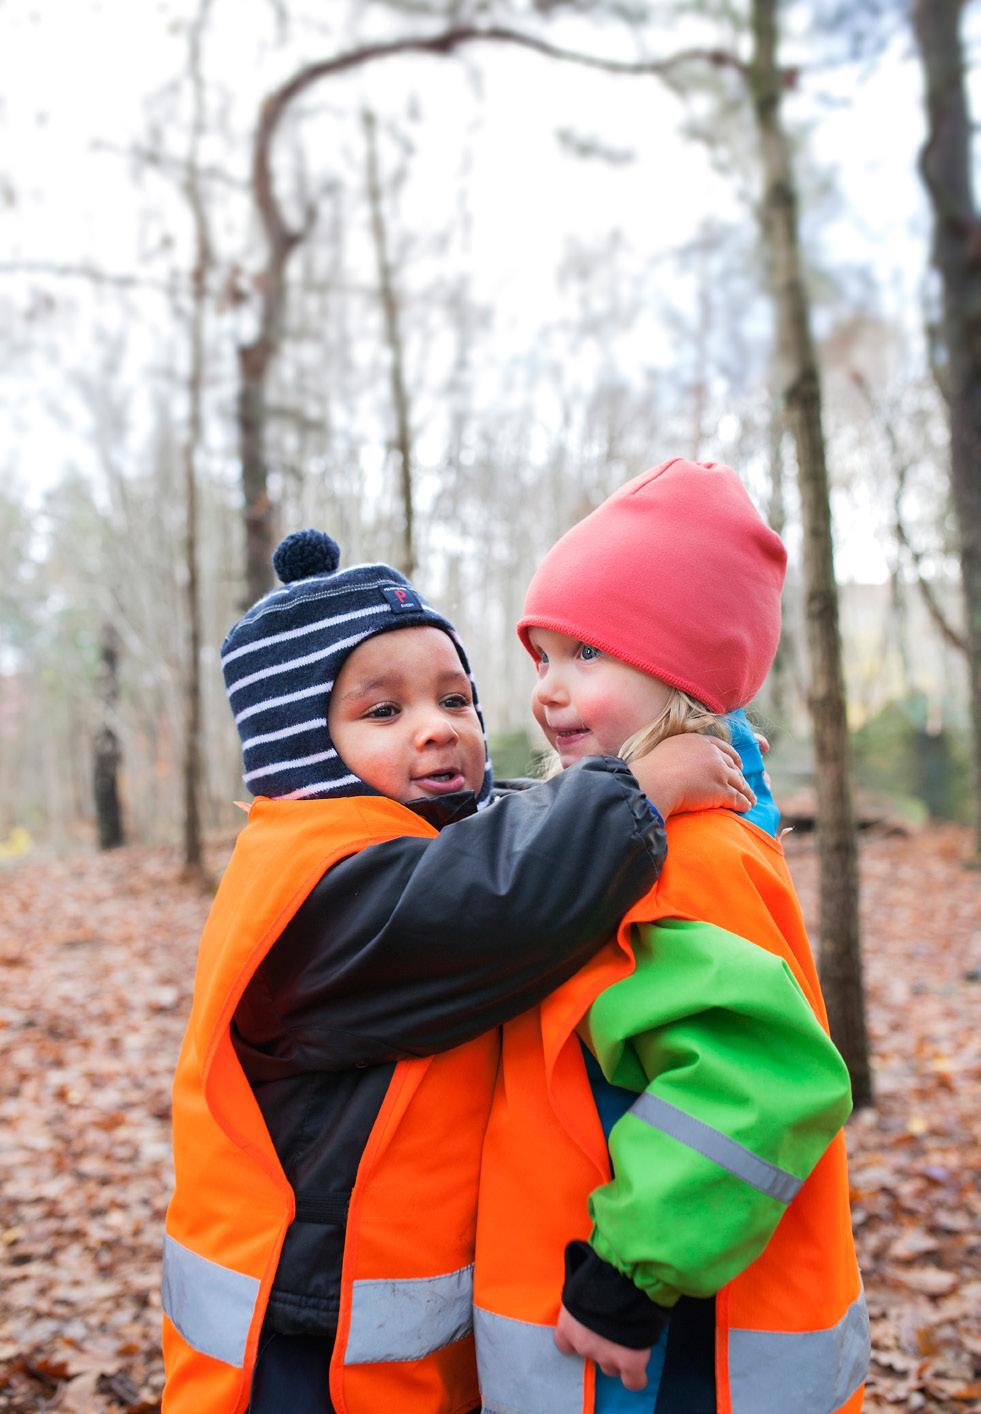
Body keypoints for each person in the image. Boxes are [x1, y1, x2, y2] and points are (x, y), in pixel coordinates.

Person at [160, 527, 753, 1414]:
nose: (439, 728)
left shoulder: (410, 845)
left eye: (455, 699)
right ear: (301, 751)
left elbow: (501, 838)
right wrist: (640, 788)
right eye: (383, 713)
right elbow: (488, 900)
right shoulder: (314, 887)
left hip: (391, 1325)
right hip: (300, 1344)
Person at [474, 458, 870, 1414]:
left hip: (651, 1345)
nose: (548, 690)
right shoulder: (655, 834)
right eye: (542, 658)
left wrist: (627, 1275)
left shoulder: (676, 864)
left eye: (587, 655)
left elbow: (755, 1084)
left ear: (682, 674)